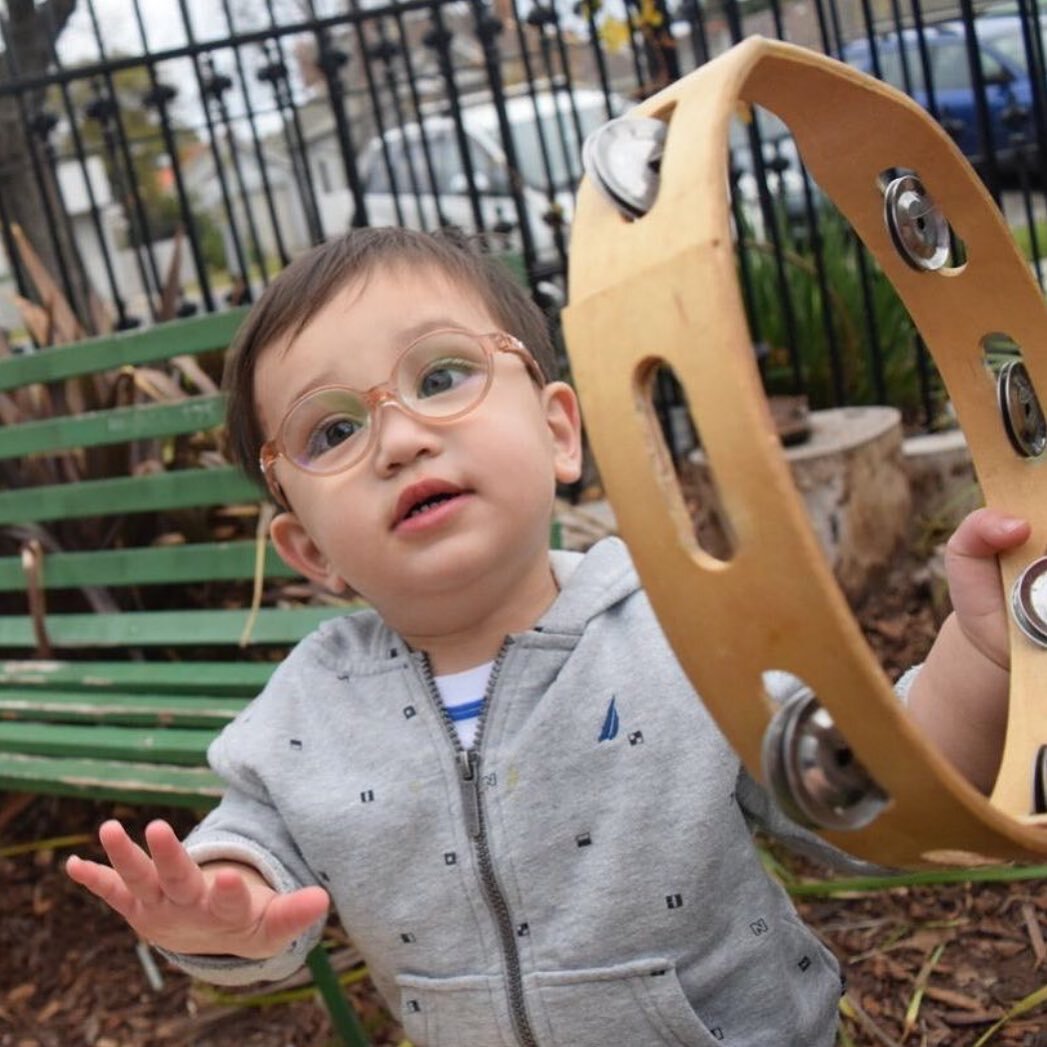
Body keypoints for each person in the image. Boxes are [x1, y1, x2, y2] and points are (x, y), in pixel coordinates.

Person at [67, 227, 1027, 1047]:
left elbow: (870, 802)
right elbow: (254, 852)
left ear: (561, 431)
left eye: (441, 374)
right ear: (308, 546)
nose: (399, 439)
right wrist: (222, 904)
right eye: (331, 433)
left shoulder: (683, 634)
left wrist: (980, 656)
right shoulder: (314, 708)